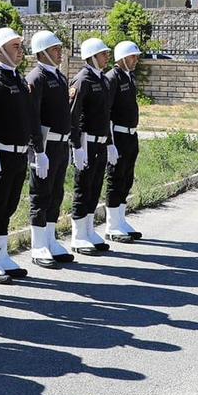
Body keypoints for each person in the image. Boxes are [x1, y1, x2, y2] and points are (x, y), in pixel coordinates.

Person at [0, 27, 37, 285]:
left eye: (20, 46)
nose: (20, 50)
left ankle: (1, 255)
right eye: (15, 46)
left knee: (9, 206)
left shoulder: (18, 78)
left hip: (18, 154)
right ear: (0, 49)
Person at [25, 30, 74, 268]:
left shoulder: (60, 77)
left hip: (61, 143)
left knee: (56, 193)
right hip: (45, 145)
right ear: (42, 52)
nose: (59, 53)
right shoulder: (36, 78)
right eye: (55, 49)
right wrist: (38, 150)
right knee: (41, 194)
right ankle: (38, 245)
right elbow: (32, 116)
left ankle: (51, 239)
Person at [68, 37, 114, 254]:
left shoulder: (103, 80)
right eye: (103, 53)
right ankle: (78, 235)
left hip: (101, 142)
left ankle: (89, 229)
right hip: (86, 142)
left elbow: (106, 116)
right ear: (92, 57)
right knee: (83, 187)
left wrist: (110, 143)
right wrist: (76, 146)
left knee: (95, 187)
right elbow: (73, 115)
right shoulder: (82, 80)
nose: (107, 57)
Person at [103, 40, 143, 242]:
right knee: (115, 178)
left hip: (130, 135)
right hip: (117, 134)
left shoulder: (130, 76)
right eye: (132, 56)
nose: (136, 60)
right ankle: (111, 225)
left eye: (136, 56)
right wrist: (110, 143)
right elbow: (107, 112)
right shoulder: (113, 78)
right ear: (122, 58)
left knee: (127, 178)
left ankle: (121, 220)